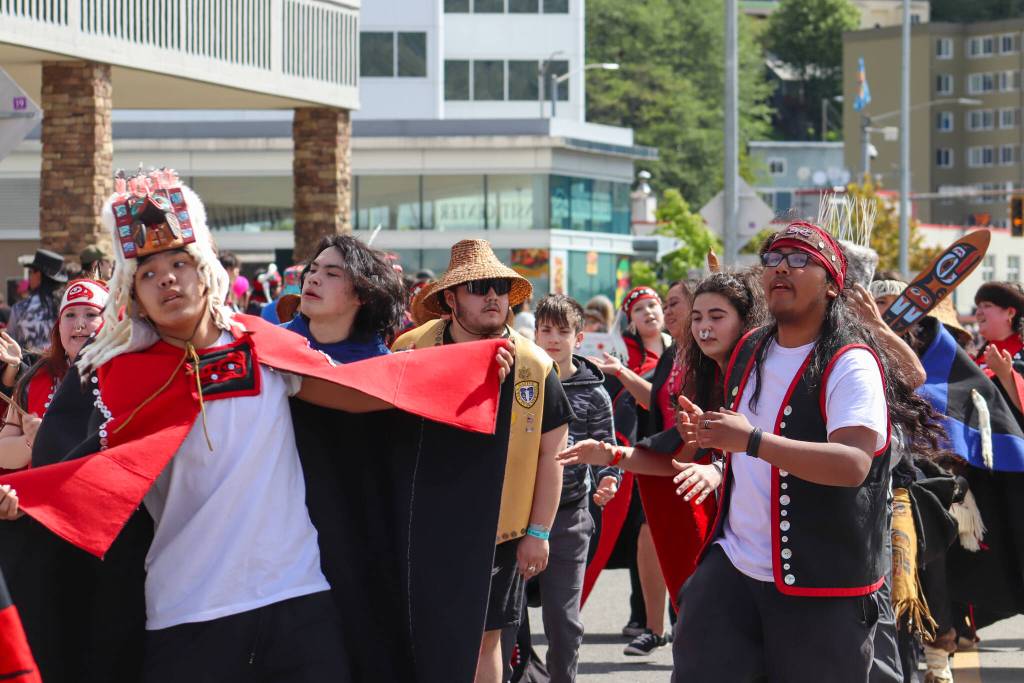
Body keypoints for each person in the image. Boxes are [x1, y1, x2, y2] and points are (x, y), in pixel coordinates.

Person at [0, 169, 515, 683]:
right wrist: (17, 503)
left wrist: (465, 372)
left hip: (297, 597)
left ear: (205, 269)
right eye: (148, 273)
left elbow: (361, 390)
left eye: (179, 262)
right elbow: (73, 480)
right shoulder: (111, 374)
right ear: (132, 291)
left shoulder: (260, 344)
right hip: (186, 615)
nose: (167, 280)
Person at [667, 221, 940, 682]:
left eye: (799, 259)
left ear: (833, 283)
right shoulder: (751, 346)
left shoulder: (850, 361)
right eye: (772, 258)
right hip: (733, 564)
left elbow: (853, 464)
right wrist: (715, 447)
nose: (780, 268)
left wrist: (750, 440)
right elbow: (741, 450)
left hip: (822, 582)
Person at [392, 239, 574, 683]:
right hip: (424, 523)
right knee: (419, 634)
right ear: (450, 299)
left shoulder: (535, 364)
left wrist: (539, 532)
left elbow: (554, 455)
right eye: (478, 286)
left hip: (502, 529)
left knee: (485, 639)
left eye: (499, 286)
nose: (492, 295)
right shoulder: (409, 350)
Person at [561, 272, 767, 656]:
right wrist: (611, 455)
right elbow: (677, 450)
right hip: (719, 527)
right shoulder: (692, 363)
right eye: (698, 317)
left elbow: (761, 452)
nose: (703, 326)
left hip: (768, 542)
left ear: (746, 319)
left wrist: (717, 469)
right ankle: (657, 626)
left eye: (715, 316)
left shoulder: (762, 373)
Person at [510, 293, 618, 682]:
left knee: (562, 619)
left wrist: (608, 481)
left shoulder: (595, 393)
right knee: (507, 616)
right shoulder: (521, 380)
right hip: (516, 515)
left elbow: (610, 452)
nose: (552, 338)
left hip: (571, 515)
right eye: (545, 330)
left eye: (562, 331)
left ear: (580, 337)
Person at [584, 285, 672, 652]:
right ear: (630, 321)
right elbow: (643, 401)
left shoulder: (682, 349)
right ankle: (646, 619)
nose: (649, 313)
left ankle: (678, 622)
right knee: (644, 537)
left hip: (683, 452)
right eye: (640, 310)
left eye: (654, 305)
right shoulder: (621, 354)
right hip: (641, 456)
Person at [0, 279, 108, 471]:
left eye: (91, 314)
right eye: (70, 315)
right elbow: (3, 454)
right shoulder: (34, 378)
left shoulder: (125, 373)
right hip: (43, 496)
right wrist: (32, 440)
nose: (79, 325)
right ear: (58, 325)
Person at [284, 235, 403, 363]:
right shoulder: (267, 343)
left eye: (331, 274)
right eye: (313, 270)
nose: (313, 279)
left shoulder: (380, 366)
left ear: (363, 295)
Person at [7, 250, 66, 353]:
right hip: (61, 366)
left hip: (28, 366)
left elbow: (10, 343)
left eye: (31, 272)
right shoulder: (66, 307)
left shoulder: (21, 308)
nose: (29, 277)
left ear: (38, 274)